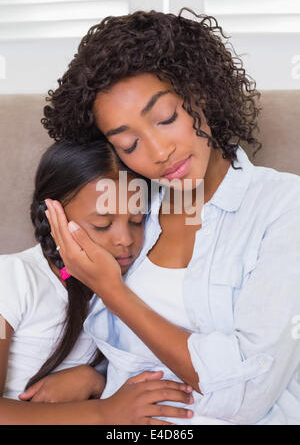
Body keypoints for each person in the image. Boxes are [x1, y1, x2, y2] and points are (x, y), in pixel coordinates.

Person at [41, 8, 300, 425]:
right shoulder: (135, 208)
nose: (158, 152)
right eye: (129, 144)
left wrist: (114, 292)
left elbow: (245, 396)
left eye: (166, 119)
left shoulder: (283, 207)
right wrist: (96, 377)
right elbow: (132, 351)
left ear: (201, 92)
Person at [0, 138, 194, 425]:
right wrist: (104, 412)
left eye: (137, 220)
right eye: (102, 224)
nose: (125, 240)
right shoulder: (12, 278)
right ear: (52, 217)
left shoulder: (128, 287)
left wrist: (94, 379)